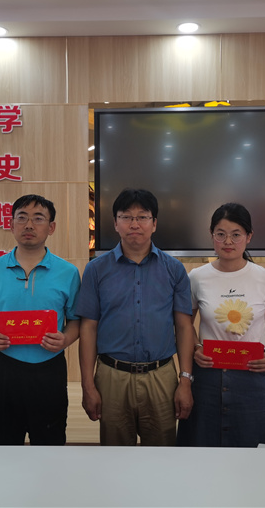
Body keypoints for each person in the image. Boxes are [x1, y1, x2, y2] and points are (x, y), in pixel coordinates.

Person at [76, 188, 196, 446]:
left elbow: (184, 327)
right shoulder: (96, 270)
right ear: (115, 223)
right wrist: (88, 385)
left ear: (154, 223)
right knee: (115, 456)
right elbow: (88, 328)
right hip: (112, 376)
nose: (134, 224)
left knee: (161, 454)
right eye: (126, 217)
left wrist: (185, 380)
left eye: (142, 217)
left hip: (161, 375)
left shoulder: (174, 269)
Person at [176, 202, 265, 447]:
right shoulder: (197, 277)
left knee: (254, 449)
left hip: (252, 375)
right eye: (221, 234)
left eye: (236, 235)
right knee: (201, 446)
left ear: (249, 237)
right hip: (207, 376)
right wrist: (196, 347)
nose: (228, 241)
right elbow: (185, 324)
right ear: (212, 236)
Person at [0, 194, 81, 445]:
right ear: (11, 225)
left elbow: (76, 320)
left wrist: (65, 339)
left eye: (38, 218)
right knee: (1, 447)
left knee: (50, 445)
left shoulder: (68, 272)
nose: (29, 225)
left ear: (51, 227)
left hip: (49, 369)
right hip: (4, 368)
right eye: (22, 218)